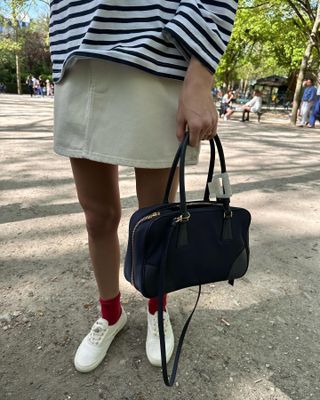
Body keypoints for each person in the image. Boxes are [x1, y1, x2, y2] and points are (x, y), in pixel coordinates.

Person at [49, 0, 237, 373]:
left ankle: (157, 307)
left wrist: (200, 76)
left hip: (158, 58)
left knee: (157, 220)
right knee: (98, 217)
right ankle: (110, 313)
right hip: (79, 61)